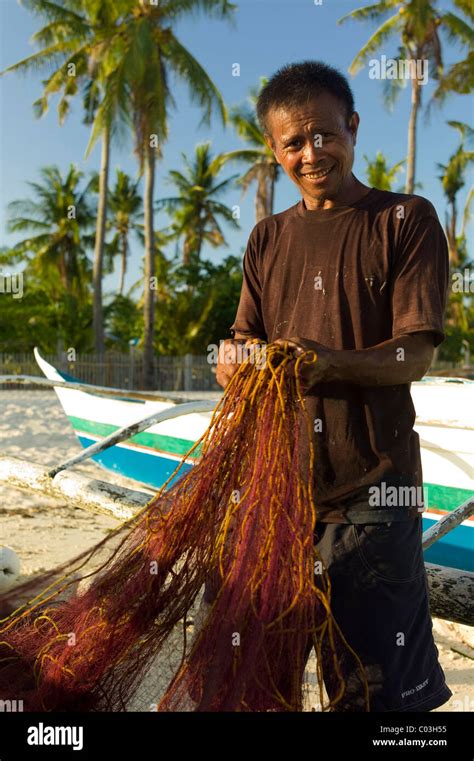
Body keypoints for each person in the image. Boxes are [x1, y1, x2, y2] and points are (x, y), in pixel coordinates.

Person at [212, 61, 452, 712]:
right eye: (293, 142)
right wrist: (235, 358)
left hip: (373, 501)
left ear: (351, 128)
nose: (310, 153)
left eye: (324, 135)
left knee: (374, 700)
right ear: (274, 149)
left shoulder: (404, 220)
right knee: (258, 685)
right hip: (277, 504)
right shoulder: (266, 238)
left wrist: (327, 363)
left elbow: (416, 353)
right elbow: (238, 338)